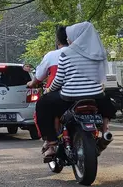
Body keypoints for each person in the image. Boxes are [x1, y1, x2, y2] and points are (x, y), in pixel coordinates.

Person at [35, 22, 117, 161]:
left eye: (70, 36)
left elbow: (59, 80)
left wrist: (49, 89)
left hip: (70, 97)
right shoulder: (98, 52)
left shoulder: (67, 52)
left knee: (42, 104)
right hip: (96, 96)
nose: (68, 40)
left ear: (79, 36)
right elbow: (101, 77)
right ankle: (105, 130)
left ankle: (51, 141)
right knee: (107, 103)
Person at [27, 25, 68, 90]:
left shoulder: (51, 55)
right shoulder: (82, 54)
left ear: (57, 41)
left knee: (42, 100)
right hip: (82, 94)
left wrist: (31, 83)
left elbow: (39, 77)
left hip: (56, 93)